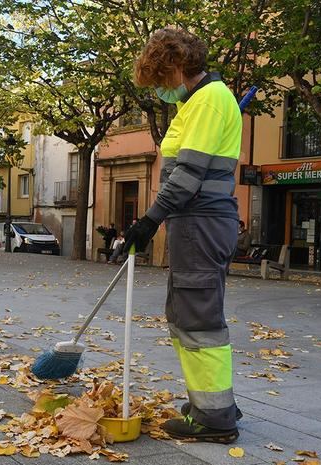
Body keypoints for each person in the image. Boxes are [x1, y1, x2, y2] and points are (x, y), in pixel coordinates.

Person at [125, 28, 242, 443]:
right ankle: (211, 403)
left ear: (175, 67)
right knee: (186, 312)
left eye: (160, 79)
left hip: (201, 220)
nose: (160, 88)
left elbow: (188, 175)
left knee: (198, 318)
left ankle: (215, 418)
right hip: (196, 222)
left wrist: (150, 219)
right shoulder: (197, 102)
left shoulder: (209, 101)